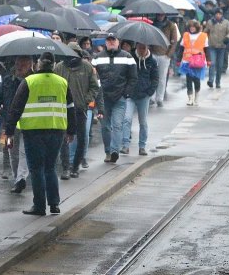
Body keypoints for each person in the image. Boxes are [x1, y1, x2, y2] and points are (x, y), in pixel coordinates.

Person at [3, 51, 79, 215]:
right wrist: (71, 130)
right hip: (56, 130)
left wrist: (9, 131)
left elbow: (16, 108)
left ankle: (39, 206)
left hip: (33, 131)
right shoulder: (62, 82)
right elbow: (70, 108)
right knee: (50, 168)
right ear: (53, 65)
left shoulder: (29, 82)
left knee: (37, 169)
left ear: (38, 64)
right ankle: (54, 204)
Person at [94, 34, 137, 163]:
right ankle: (108, 151)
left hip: (120, 98)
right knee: (105, 127)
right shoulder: (97, 58)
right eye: (109, 40)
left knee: (117, 125)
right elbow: (93, 77)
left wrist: (126, 93)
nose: (111, 42)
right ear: (105, 43)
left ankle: (114, 151)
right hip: (103, 98)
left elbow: (133, 78)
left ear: (118, 42)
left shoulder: (127, 57)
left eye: (113, 40)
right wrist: (98, 93)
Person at [59, 45, 101, 177]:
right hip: (63, 109)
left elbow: (94, 87)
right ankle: (66, 167)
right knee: (63, 138)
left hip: (80, 108)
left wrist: (86, 100)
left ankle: (75, 166)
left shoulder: (87, 67)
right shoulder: (59, 67)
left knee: (81, 138)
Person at [0, 56, 32, 191]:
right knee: (9, 149)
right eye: (19, 63)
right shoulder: (7, 80)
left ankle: (21, 178)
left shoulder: (32, 81)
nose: (21, 66)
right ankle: (15, 175)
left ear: (30, 64)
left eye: (24, 63)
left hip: (27, 123)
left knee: (23, 151)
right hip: (8, 123)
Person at [122, 43, 158, 156]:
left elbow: (155, 78)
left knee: (143, 122)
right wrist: (126, 90)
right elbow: (124, 74)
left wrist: (150, 92)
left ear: (147, 48)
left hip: (144, 95)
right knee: (127, 119)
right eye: (139, 48)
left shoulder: (152, 61)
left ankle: (142, 146)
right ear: (136, 47)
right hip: (130, 95)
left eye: (144, 48)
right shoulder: (130, 58)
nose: (141, 50)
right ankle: (125, 145)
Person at [150, 14, 179, 108]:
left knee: (162, 78)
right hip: (153, 53)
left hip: (164, 54)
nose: (160, 16)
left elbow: (174, 41)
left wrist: (169, 54)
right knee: (152, 77)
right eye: (158, 14)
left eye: (162, 14)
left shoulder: (171, 25)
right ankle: (152, 97)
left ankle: (160, 99)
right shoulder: (152, 24)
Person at [179, 20, 210, 106]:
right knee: (188, 80)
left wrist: (208, 60)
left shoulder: (203, 36)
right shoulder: (185, 35)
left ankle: (196, 97)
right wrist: (178, 60)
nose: (192, 28)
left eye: (193, 27)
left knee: (197, 80)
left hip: (198, 61)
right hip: (187, 61)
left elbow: (207, 50)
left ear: (197, 27)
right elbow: (181, 48)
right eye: (190, 27)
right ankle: (190, 98)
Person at [206, 10, 229, 90]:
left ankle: (218, 82)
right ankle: (211, 80)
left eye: (219, 14)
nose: (218, 15)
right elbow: (205, 31)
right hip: (212, 46)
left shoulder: (226, 22)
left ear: (222, 15)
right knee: (212, 63)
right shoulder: (210, 22)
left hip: (222, 47)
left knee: (220, 65)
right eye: (216, 14)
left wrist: (227, 38)